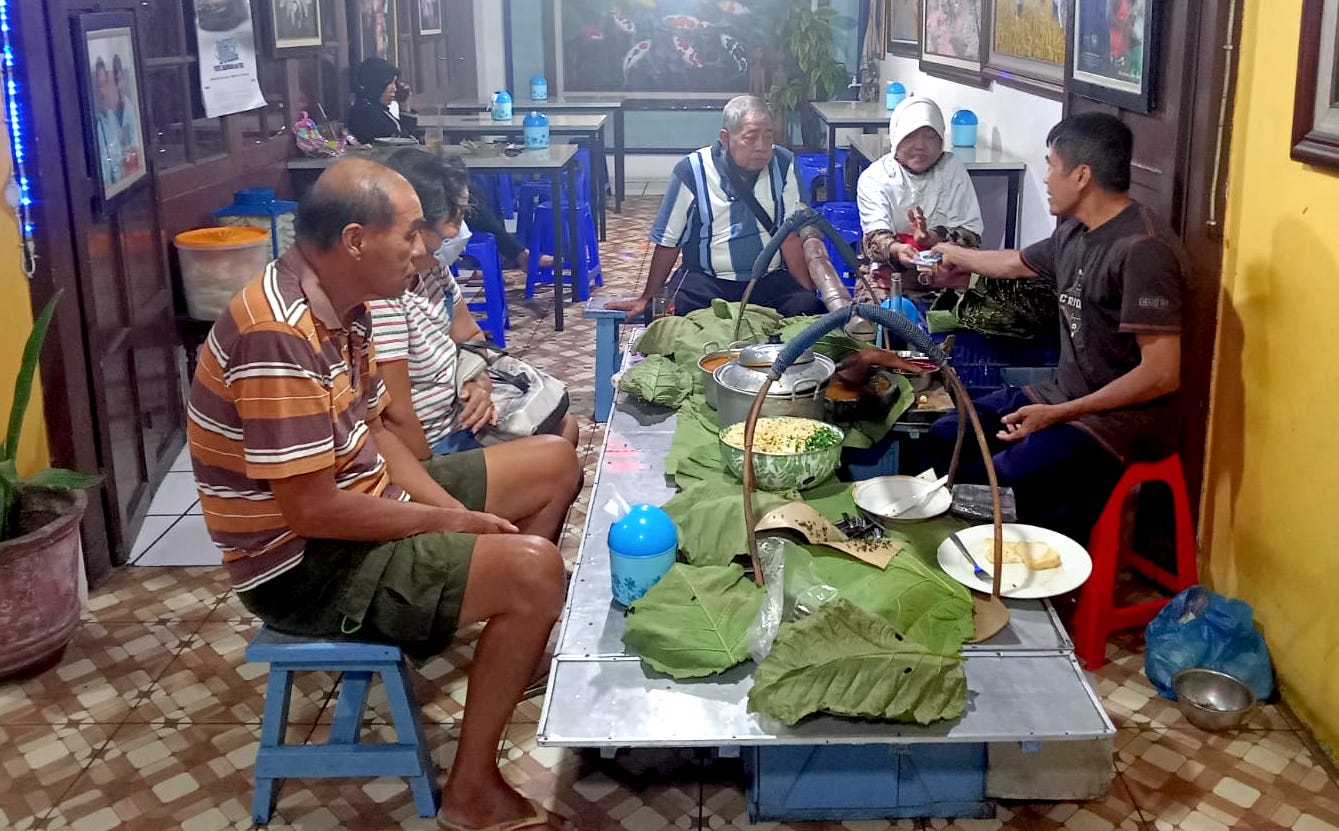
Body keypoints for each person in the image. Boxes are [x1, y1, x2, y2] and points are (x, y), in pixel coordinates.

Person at [188, 157, 580, 831]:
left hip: (359, 507)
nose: (424, 247)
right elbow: (312, 510)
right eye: (410, 233)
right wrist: (441, 523)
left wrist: (453, 517)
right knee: (536, 567)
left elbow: (380, 435)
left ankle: (505, 614)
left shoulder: (347, 306)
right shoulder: (277, 331)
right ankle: (472, 789)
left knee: (553, 460)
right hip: (303, 565)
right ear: (354, 240)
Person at [842, 112, 1186, 541]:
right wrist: (942, 250)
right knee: (949, 431)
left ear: (1081, 176)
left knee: (1001, 477)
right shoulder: (1078, 233)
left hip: (1115, 423)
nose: (1045, 179)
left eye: (1050, 166)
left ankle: (1034, 574)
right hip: (1063, 396)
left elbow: (1161, 374)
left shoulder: (1143, 249)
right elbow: (1012, 262)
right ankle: (958, 548)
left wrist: (1058, 414)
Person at [368, 147, 580, 455]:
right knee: (555, 457)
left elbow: (470, 337)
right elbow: (398, 418)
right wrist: (434, 483)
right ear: (416, 223)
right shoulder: (384, 298)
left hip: (459, 418)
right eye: (457, 217)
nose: (463, 229)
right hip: (430, 441)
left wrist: (476, 382)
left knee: (566, 426)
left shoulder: (434, 271)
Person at [608, 94, 823, 319]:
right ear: (726, 138)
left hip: (768, 279)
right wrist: (646, 297)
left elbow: (791, 237)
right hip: (705, 280)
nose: (761, 147)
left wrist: (808, 292)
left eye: (768, 137)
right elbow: (668, 243)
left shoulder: (784, 163)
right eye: (750, 138)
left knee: (807, 309)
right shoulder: (692, 170)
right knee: (666, 315)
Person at [856, 97, 983, 279]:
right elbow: (873, 240)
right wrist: (898, 249)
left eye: (930, 137)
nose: (920, 146)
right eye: (910, 136)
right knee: (881, 307)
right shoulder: (875, 177)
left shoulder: (951, 168)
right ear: (896, 138)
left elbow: (972, 235)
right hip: (892, 273)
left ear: (940, 140)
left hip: (949, 272)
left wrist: (931, 237)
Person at [347, 57, 419, 145]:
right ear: (377, 84)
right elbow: (407, 142)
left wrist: (404, 106)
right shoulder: (368, 113)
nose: (395, 89)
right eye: (391, 83)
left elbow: (408, 139)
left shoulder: (378, 109)